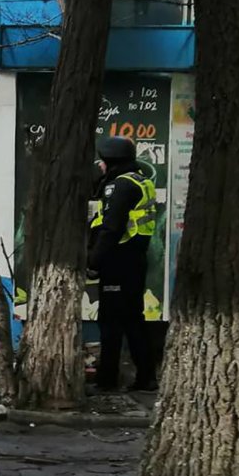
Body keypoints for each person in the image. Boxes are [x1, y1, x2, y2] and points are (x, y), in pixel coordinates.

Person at [88, 136, 158, 392]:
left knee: (110, 323)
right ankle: (146, 377)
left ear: (111, 161)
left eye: (103, 161)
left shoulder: (120, 186)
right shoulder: (140, 180)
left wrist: (94, 260)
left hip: (118, 260)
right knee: (133, 320)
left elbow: (111, 228)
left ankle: (106, 381)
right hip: (135, 259)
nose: (100, 165)